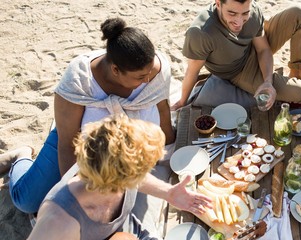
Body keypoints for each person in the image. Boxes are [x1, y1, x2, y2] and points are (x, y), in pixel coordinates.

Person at [3, 17, 175, 213]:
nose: (147, 80)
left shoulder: (157, 71)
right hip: (77, 140)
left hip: (121, 145)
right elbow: (67, 144)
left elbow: (163, 109)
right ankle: (20, 157)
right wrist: (73, 196)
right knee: (26, 202)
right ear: (115, 70)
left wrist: (171, 147)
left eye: (149, 73)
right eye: (140, 78)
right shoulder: (79, 80)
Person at [5, 114, 212, 240]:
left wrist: (168, 193)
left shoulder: (113, 175)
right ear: (122, 179)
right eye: (146, 168)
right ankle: (20, 158)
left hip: (128, 236)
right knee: (22, 197)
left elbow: (133, 177)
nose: (150, 169)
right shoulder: (58, 222)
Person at [171, 0, 301, 111]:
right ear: (218, 4)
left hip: (255, 46)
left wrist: (267, 82)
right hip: (239, 71)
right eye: (232, 13)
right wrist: (182, 101)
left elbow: (263, 49)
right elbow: (192, 71)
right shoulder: (200, 33)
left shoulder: (252, 11)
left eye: (245, 13)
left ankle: (297, 72)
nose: (239, 22)